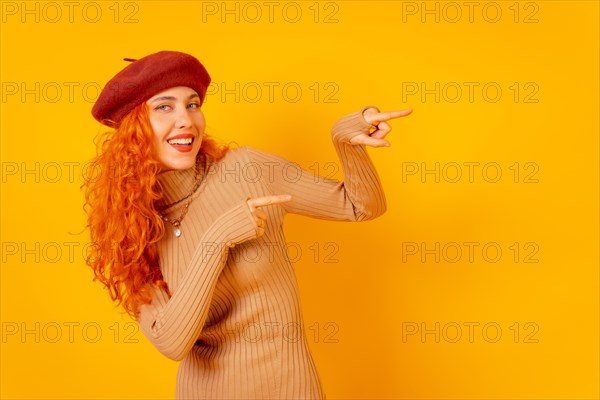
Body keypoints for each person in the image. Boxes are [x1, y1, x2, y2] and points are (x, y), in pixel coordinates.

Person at [83, 50, 412, 399]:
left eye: (192, 105)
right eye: (165, 107)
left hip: (287, 387)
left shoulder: (248, 170)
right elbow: (172, 342)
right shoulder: (133, 227)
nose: (186, 120)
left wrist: (345, 143)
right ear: (135, 128)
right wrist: (217, 241)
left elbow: (360, 206)